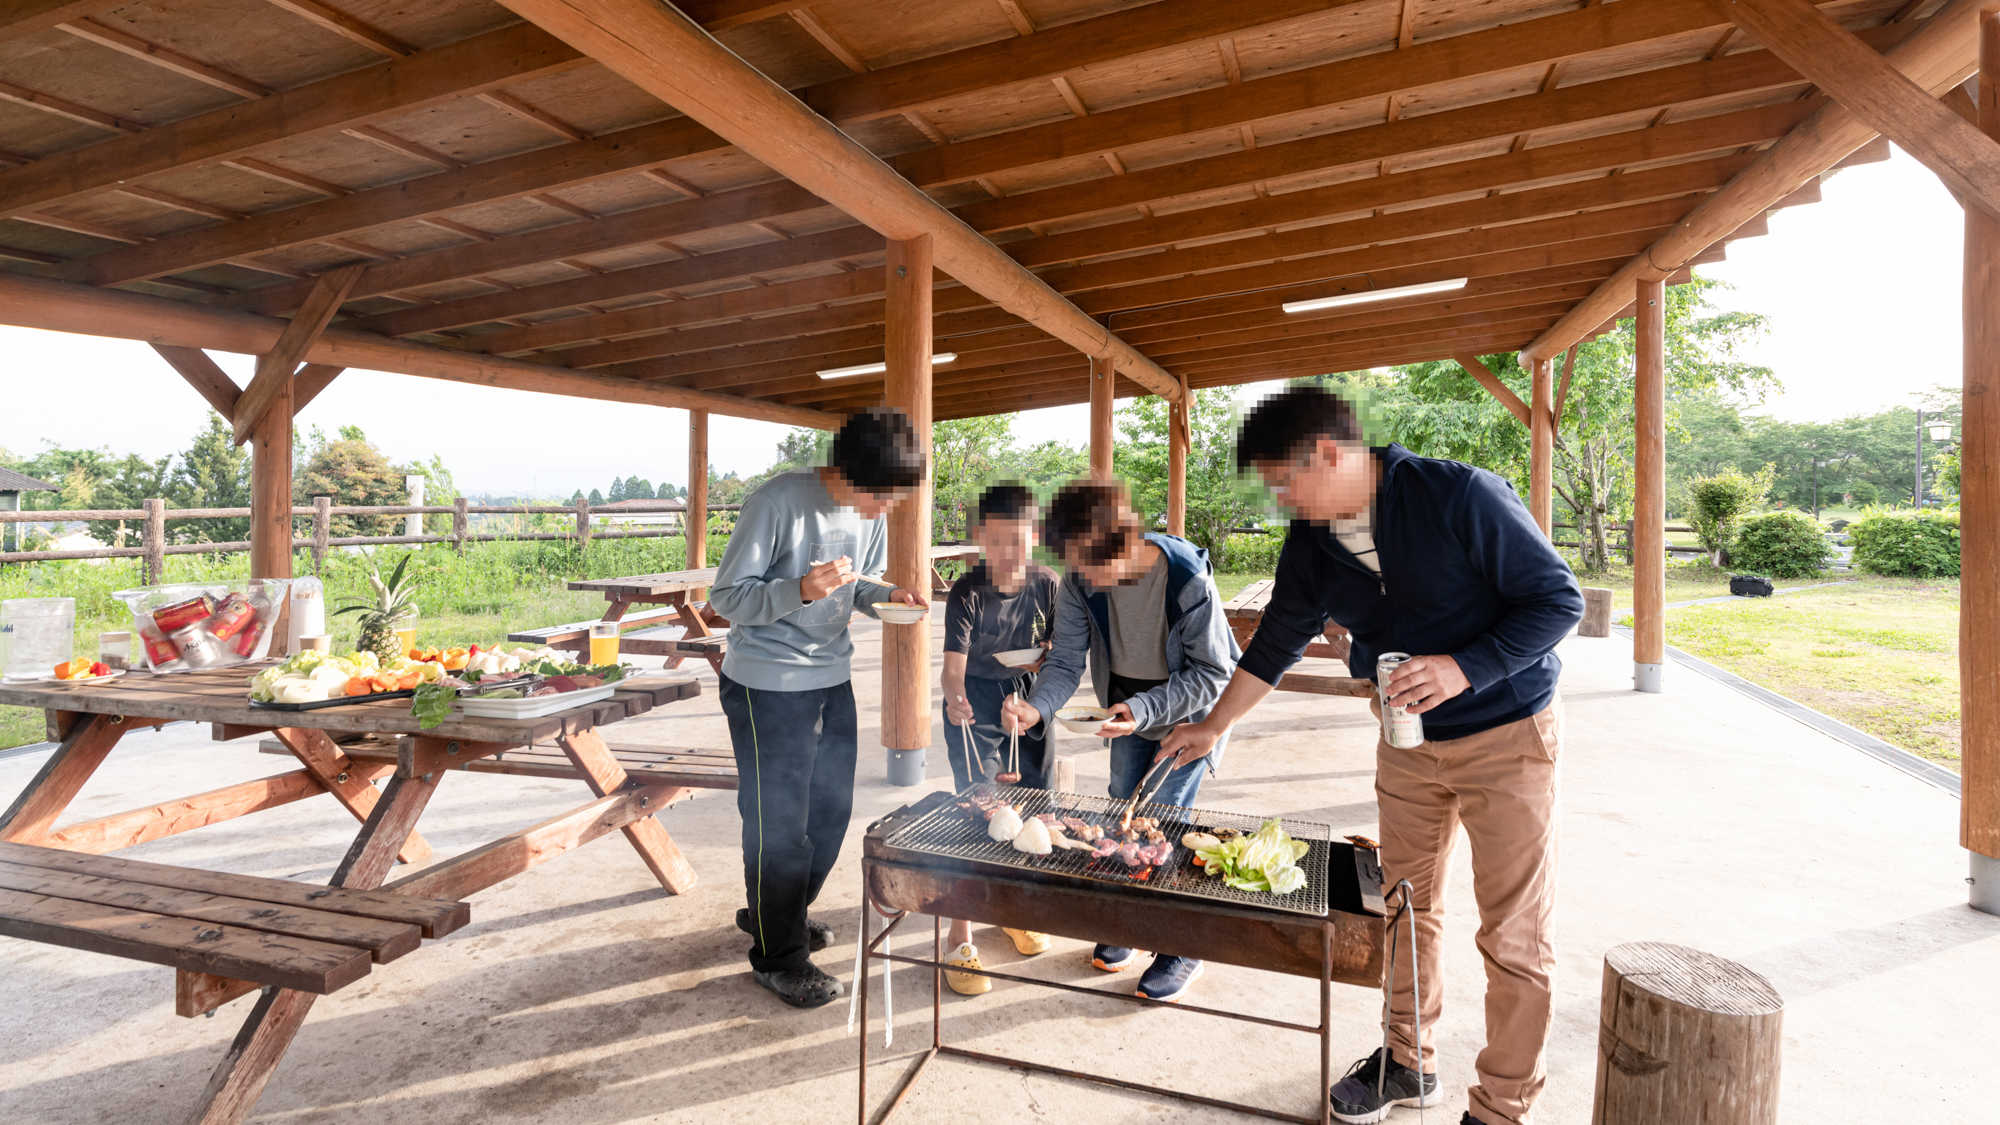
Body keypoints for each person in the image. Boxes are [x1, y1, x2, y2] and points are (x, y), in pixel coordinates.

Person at [1157, 386, 1583, 1125]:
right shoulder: (1312, 539)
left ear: (1328, 453)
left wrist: (1464, 666)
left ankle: (1504, 1105)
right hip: (1407, 742)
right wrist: (1212, 725)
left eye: (1284, 480)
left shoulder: (1458, 495)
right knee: (1404, 907)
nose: (1281, 498)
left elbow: (1557, 601)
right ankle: (1409, 1061)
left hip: (1507, 734)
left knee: (1512, 932)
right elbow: (1277, 641)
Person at [708, 408, 930, 1009]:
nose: (885, 509)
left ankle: (776, 916)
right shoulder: (777, 503)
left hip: (832, 677)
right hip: (766, 684)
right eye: (880, 495)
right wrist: (800, 589)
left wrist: (889, 597)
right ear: (845, 473)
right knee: (780, 823)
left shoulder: (870, 511)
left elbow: (856, 585)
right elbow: (726, 597)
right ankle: (778, 958)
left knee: (831, 812)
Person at [1000, 480, 1238, 1004]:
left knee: (1163, 824)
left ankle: (1180, 946)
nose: (1086, 577)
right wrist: (1035, 706)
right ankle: (1132, 921)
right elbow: (1063, 660)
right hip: (1124, 708)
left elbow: (1214, 673)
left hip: (1186, 714)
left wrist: (1145, 710)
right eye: (1076, 565)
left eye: (1093, 563)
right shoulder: (1079, 577)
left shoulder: (1185, 577)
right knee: (1120, 815)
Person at [936, 482, 1062, 995]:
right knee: (980, 810)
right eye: (999, 540)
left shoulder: (1048, 584)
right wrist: (954, 699)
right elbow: (951, 670)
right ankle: (958, 936)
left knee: (1036, 809)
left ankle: (1014, 912)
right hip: (975, 702)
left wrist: (1032, 703)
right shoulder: (968, 591)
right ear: (981, 539)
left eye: (1021, 539)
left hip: (1028, 699)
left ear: (1034, 536)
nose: (1011, 552)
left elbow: (1059, 655)